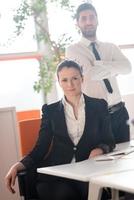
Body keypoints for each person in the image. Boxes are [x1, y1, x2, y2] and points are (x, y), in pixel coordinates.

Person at [5, 60, 115, 200]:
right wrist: (17, 165)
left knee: (100, 195)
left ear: (82, 78)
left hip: (88, 171)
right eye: (65, 80)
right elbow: (40, 148)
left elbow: (109, 140)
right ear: (59, 82)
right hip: (56, 174)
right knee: (66, 195)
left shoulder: (99, 105)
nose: (70, 84)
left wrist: (99, 150)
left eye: (75, 78)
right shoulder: (50, 111)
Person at [66, 3, 132, 144]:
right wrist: (114, 68)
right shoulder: (73, 50)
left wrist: (99, 65)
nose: (88, 22)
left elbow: (127, 67)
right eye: (83, 19)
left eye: (91, 17)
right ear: (77, 23)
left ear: (97, 20)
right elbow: (90, 74)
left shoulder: (111, 47)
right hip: (97, 116)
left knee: (126, 157)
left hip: (120, 112)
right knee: (101, 161)